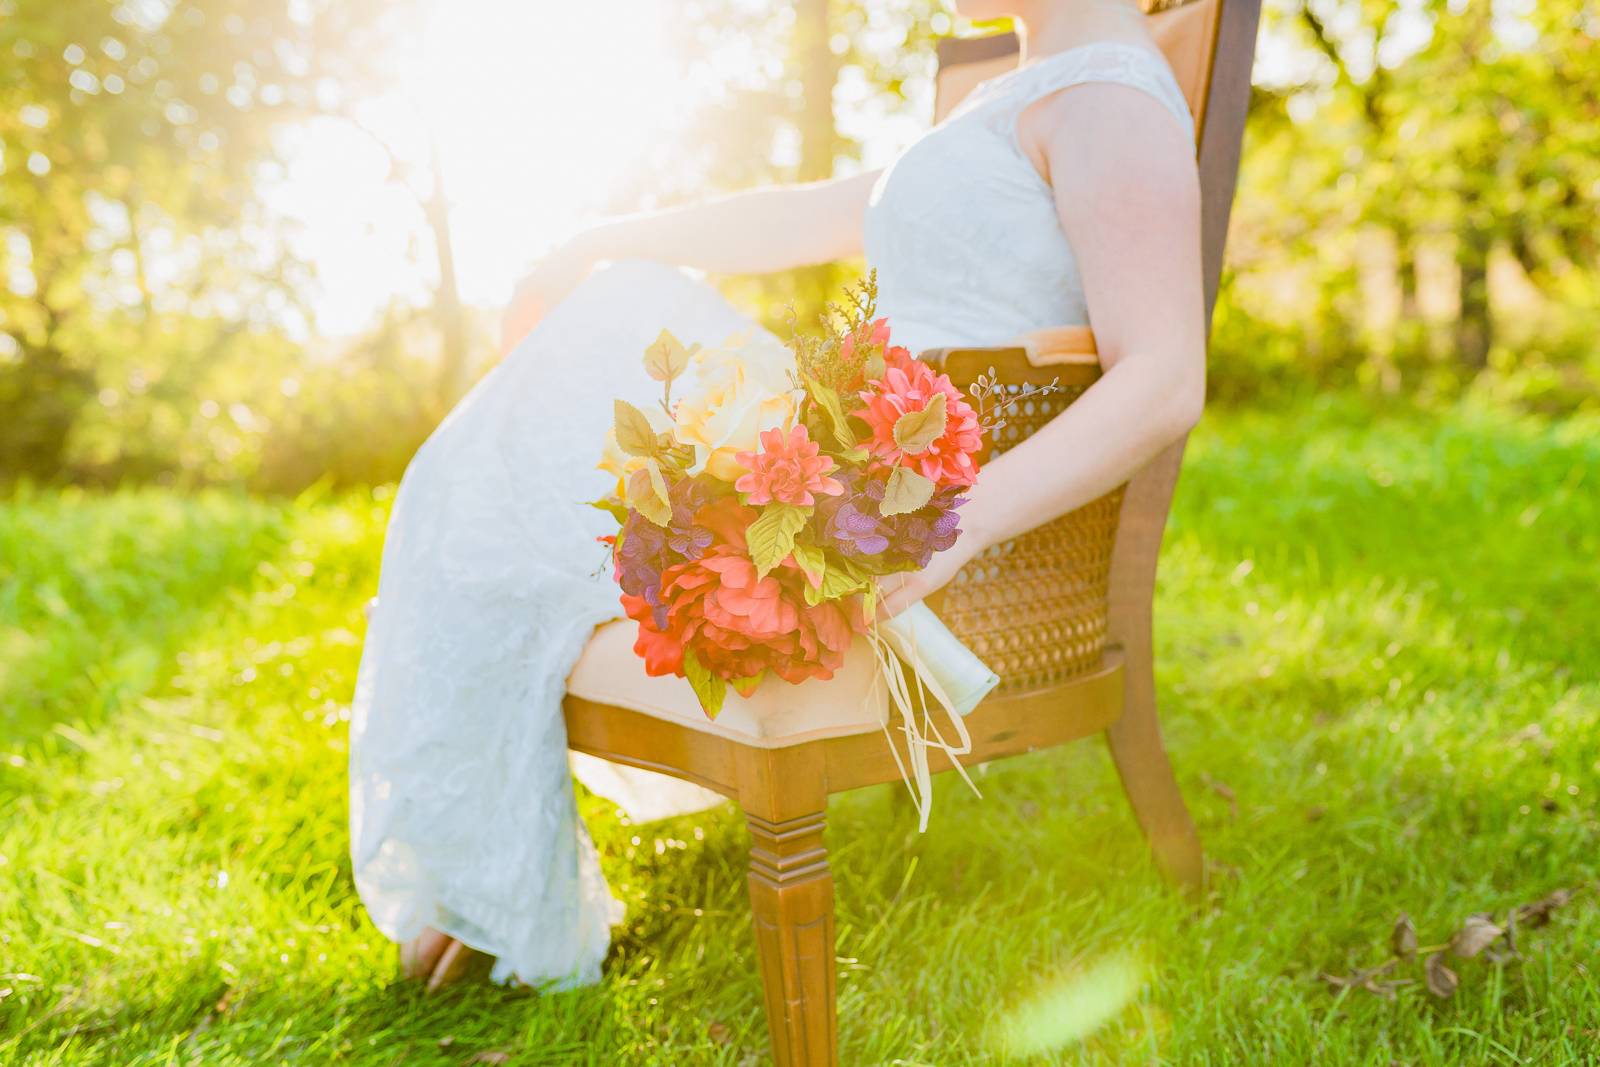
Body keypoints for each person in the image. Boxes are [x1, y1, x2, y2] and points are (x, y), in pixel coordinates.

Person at [351, 0, 1206, 992]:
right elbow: (813, 211)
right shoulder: (1015, 88)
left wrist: (953, 530)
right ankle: (484, 868)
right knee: (544, 409)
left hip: (939, 538)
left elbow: (1165, 374)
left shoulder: (1108, 92)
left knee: (594, 355)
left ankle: (483, 879)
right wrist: (600, 237)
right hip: (875, 487)